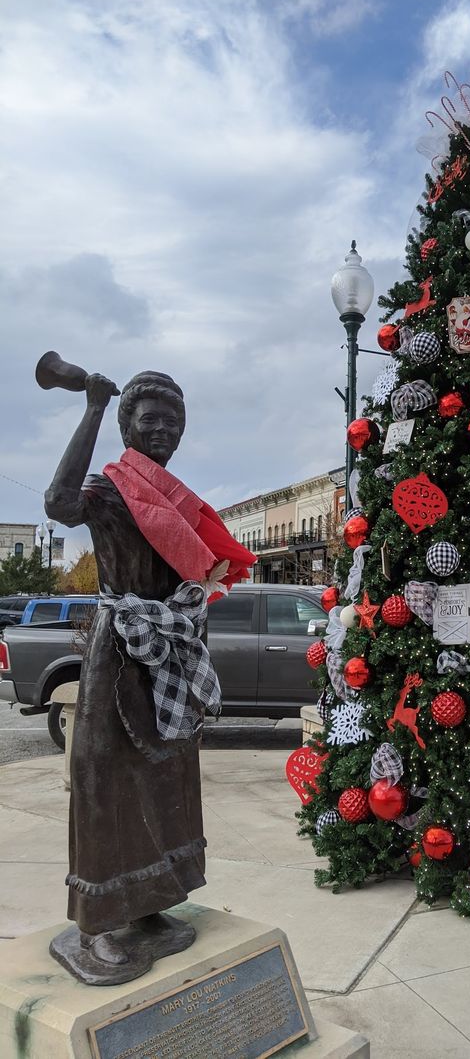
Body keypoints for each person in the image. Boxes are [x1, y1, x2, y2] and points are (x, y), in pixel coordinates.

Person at [45, 370, 254, 983]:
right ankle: (98, 923)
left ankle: (152, 903)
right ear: (126, 426)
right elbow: (57, 504)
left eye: (172, 420)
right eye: (149, 419)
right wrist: (92, 405)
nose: (163, 429)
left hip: (174, 646)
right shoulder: (108, 491)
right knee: (103, 777)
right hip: (122, 651)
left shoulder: (178, 501)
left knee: (169, 773)